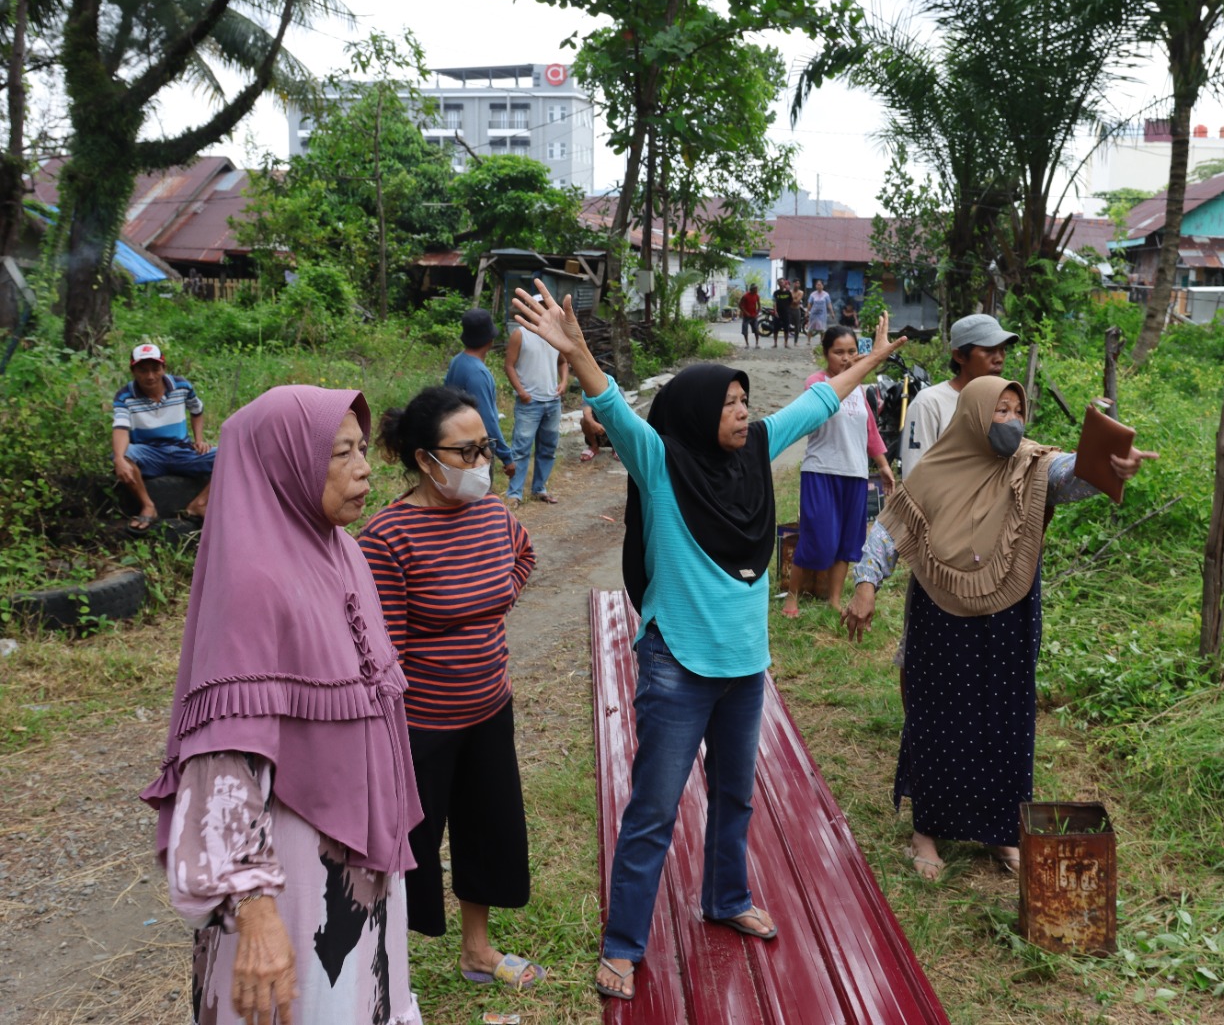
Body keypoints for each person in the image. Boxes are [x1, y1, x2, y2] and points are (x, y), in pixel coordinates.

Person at [509, 278, 905, 1003]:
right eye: (726, 401)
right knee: (656, 808)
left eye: (742, 398)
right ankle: (625, 943)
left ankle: (725, 897)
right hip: (677, 664)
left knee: (735, 795)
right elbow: (610, 410)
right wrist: (576, 350)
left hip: (745, 666)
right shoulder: (661, 461)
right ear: (696, 412)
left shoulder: (756, 450)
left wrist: (871, 361)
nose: (741, 409)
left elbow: (818, 401)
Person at [140, 385, 426, 1025]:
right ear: (286, 464)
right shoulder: (253, 580)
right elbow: (222, 764)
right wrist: (254, 908)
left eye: (361, 449)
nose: (363, 468)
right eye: (341, 453)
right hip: (292, 864)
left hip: (355, 856)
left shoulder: (343, 551)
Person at [844, 377, 1157, 880]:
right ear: (973, 414)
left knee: (1006, 721)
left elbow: (1071, 474)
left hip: (1010, 612)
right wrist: (865, 584)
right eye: (1000, 410)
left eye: (1017, 410)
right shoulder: (936, 468)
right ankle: (926, 831)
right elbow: (890, 527)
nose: (1011, 421)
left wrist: (1106, 463)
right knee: (938, 718)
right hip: (940, 610)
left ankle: (1001, 832)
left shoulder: (1030, 466)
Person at [358, 385, 544, 991]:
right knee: (406, 845)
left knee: (486, 826)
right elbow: (387, 653)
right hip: (421, 726)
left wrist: (492, 609)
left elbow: (523, 558)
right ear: (424, 460)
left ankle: (477, 950)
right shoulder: (387, 538)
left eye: (484, 448)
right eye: (465, 453)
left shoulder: (493, 513)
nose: (480, 464)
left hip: (491, 705)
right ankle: (389, 970)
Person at [783, 325, 896, 618]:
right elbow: (814, 411)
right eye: (838, 352)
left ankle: (833, 599)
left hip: (855, 475)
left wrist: (883, 466)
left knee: (848, 541)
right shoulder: (817, 384)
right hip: (821, 471)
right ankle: (791, 597)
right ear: (825, 354)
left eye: (850, 352)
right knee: (816, 537)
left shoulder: (860, 390)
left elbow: (871, 431)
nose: (845, 359)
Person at [899, 313, 1018, 477]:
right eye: (989, 350)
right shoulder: (929, 403)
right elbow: (914, 476)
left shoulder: (1003, 404)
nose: (999, 358)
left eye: (1002, 349)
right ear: (960, 356)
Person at [113, 343, 216, 531]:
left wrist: (199, 440)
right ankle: (148, 506)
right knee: (124, 455)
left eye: (155, 369)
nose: (150, 376)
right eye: (143, 371)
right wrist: (119, 458)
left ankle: (199, 504)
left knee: (231, 454)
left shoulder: (181, 386)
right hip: (149, 454)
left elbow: (197, 410)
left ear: (163, 368)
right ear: (133, 371)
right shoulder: (125, 395)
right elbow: (120, 427)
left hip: (182, 451)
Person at [504, 305, 570, 506]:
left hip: (552, 401)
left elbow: (563, 361)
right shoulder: (520, 334)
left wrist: (564, 381)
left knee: (548, 447)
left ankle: (539, 488)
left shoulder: (555, 334)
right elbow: (509, 365)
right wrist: (521, 391)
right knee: (521, 448)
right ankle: (514, 494)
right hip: (529, 402)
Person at [445, 308, 514, 483]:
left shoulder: (457, 361)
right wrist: (507, 456)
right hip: (476, 451)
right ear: (490, 340)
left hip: (457, 444)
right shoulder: (478, 373)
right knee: (480, 497)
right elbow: (487, 420)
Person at [805, 278, 833, 343]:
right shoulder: (812, 294)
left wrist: (832, 312)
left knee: (822, 328)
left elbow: (829, 304)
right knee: (810, 327)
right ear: (815, 286)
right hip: (813, 313)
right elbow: (809, 304)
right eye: (817, 285)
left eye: (820, 285)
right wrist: (807, 312)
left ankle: (821, 341)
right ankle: (808, 341)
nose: (818, 286)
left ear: (823, 286)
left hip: (822, 314)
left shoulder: (826, 294)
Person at [771, 278, 796, 349]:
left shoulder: (788, 293)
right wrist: (775, 311)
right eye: (780, 283)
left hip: (786, 313)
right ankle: (775, 343)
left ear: (784, 283)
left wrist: (788, 309)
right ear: (778, 284)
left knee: (786, 329)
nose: (781, 284)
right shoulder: (776, 293)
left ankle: (786, 343)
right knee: (775, 329)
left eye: (782, 282)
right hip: (778, 314)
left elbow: (791, 301)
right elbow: (774, 302)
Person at [739, 282, 761, 348]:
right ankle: (747, 344)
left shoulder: (757, 296)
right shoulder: (745, 296)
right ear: (752, 289)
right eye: (755, 289)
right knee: (745, 330)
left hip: (754, 316)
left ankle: (757, 344)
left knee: (756, 330)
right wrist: (745, 312)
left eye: (757, 289)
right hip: (746, 316)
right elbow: (740, 305)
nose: (756, 290)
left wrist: (758, 312)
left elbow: (759, 305)